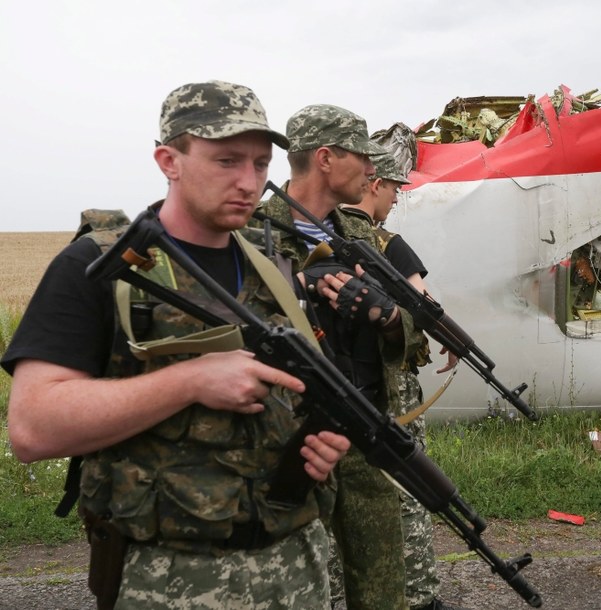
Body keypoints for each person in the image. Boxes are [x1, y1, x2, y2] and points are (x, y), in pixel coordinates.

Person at [1, 80, 351, 610]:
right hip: (165, 579)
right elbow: (33, 428)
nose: (248, 181)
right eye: (227, 160)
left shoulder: (274, 265)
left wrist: (317, 446)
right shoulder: (98, 267)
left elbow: (295, 395)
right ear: (169, 160)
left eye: (260, 164)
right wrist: (189, 380)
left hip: (296, 567)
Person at [252, 104, 426, 610]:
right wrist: (300, 292)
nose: (374, 171)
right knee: (302, 587)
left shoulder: (362, 237)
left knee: (382, 588)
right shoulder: (255, 235)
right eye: (363, 158)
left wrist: (390, 317)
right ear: (326, 159)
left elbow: (412, 340)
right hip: (299, 446)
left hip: (369, 433)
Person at [339, 151, 464, 610]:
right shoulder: (388, 244)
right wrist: (455, 341)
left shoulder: (322, 233)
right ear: (373, 185)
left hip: (345, 384)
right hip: (393, 387)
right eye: (393, 189)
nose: (395, 199)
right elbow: (425, 303)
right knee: (410, 487)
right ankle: (419, 596)